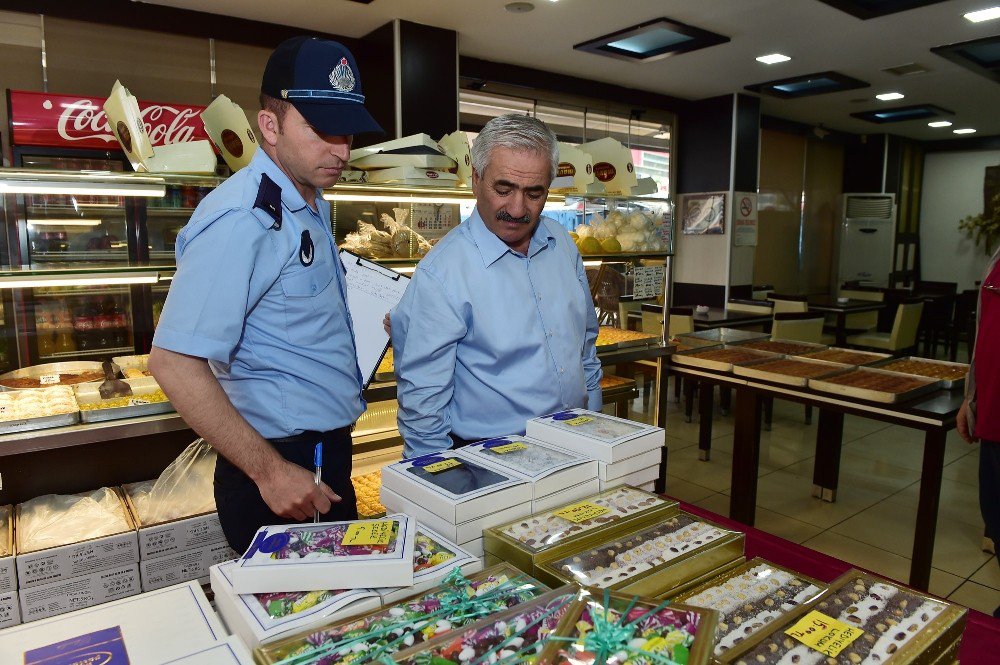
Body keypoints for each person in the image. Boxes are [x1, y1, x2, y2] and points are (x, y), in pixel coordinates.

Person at [149, 36, 382, 552]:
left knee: (343, 623)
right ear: (270, 126)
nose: (341, 150)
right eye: (321, 129)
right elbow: (172, 361)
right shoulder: (241, 218)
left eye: (348, 132)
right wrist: (272, 472)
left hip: (323, 458)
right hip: (277, 473)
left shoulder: (309, 202)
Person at [390, 114, 602, 458]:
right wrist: (440, 484)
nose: (518, 209)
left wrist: (594, 428)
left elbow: (585, 350)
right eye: (503, 190)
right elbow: (423, 406)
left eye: (535, 193)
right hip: (490, 458)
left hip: (575, 441)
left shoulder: (562, 244)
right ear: (476, 179)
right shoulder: (443, 273)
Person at [957, 246, 1000, 617]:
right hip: (992, 418)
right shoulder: (997, 258)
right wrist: (969, 399)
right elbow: (984, 336)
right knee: (996, 516)